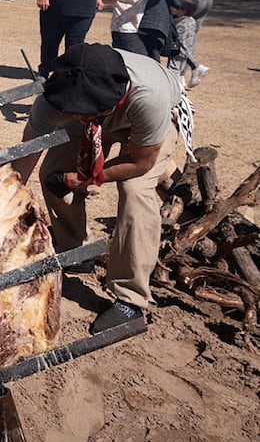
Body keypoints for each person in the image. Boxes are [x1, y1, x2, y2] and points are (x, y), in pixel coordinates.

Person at [12, 43, 184, 334]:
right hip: (99, 112)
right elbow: (25, 158)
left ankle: (131, 298)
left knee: (135, 192)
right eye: (74, 110)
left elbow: (141, 163)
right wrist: (8, 202)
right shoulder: (57, 100)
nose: (77, 115)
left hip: (145, 123)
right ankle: (76, 252)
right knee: (52, 173)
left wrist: (84, 178)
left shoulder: (148, 98)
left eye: (83, 111)